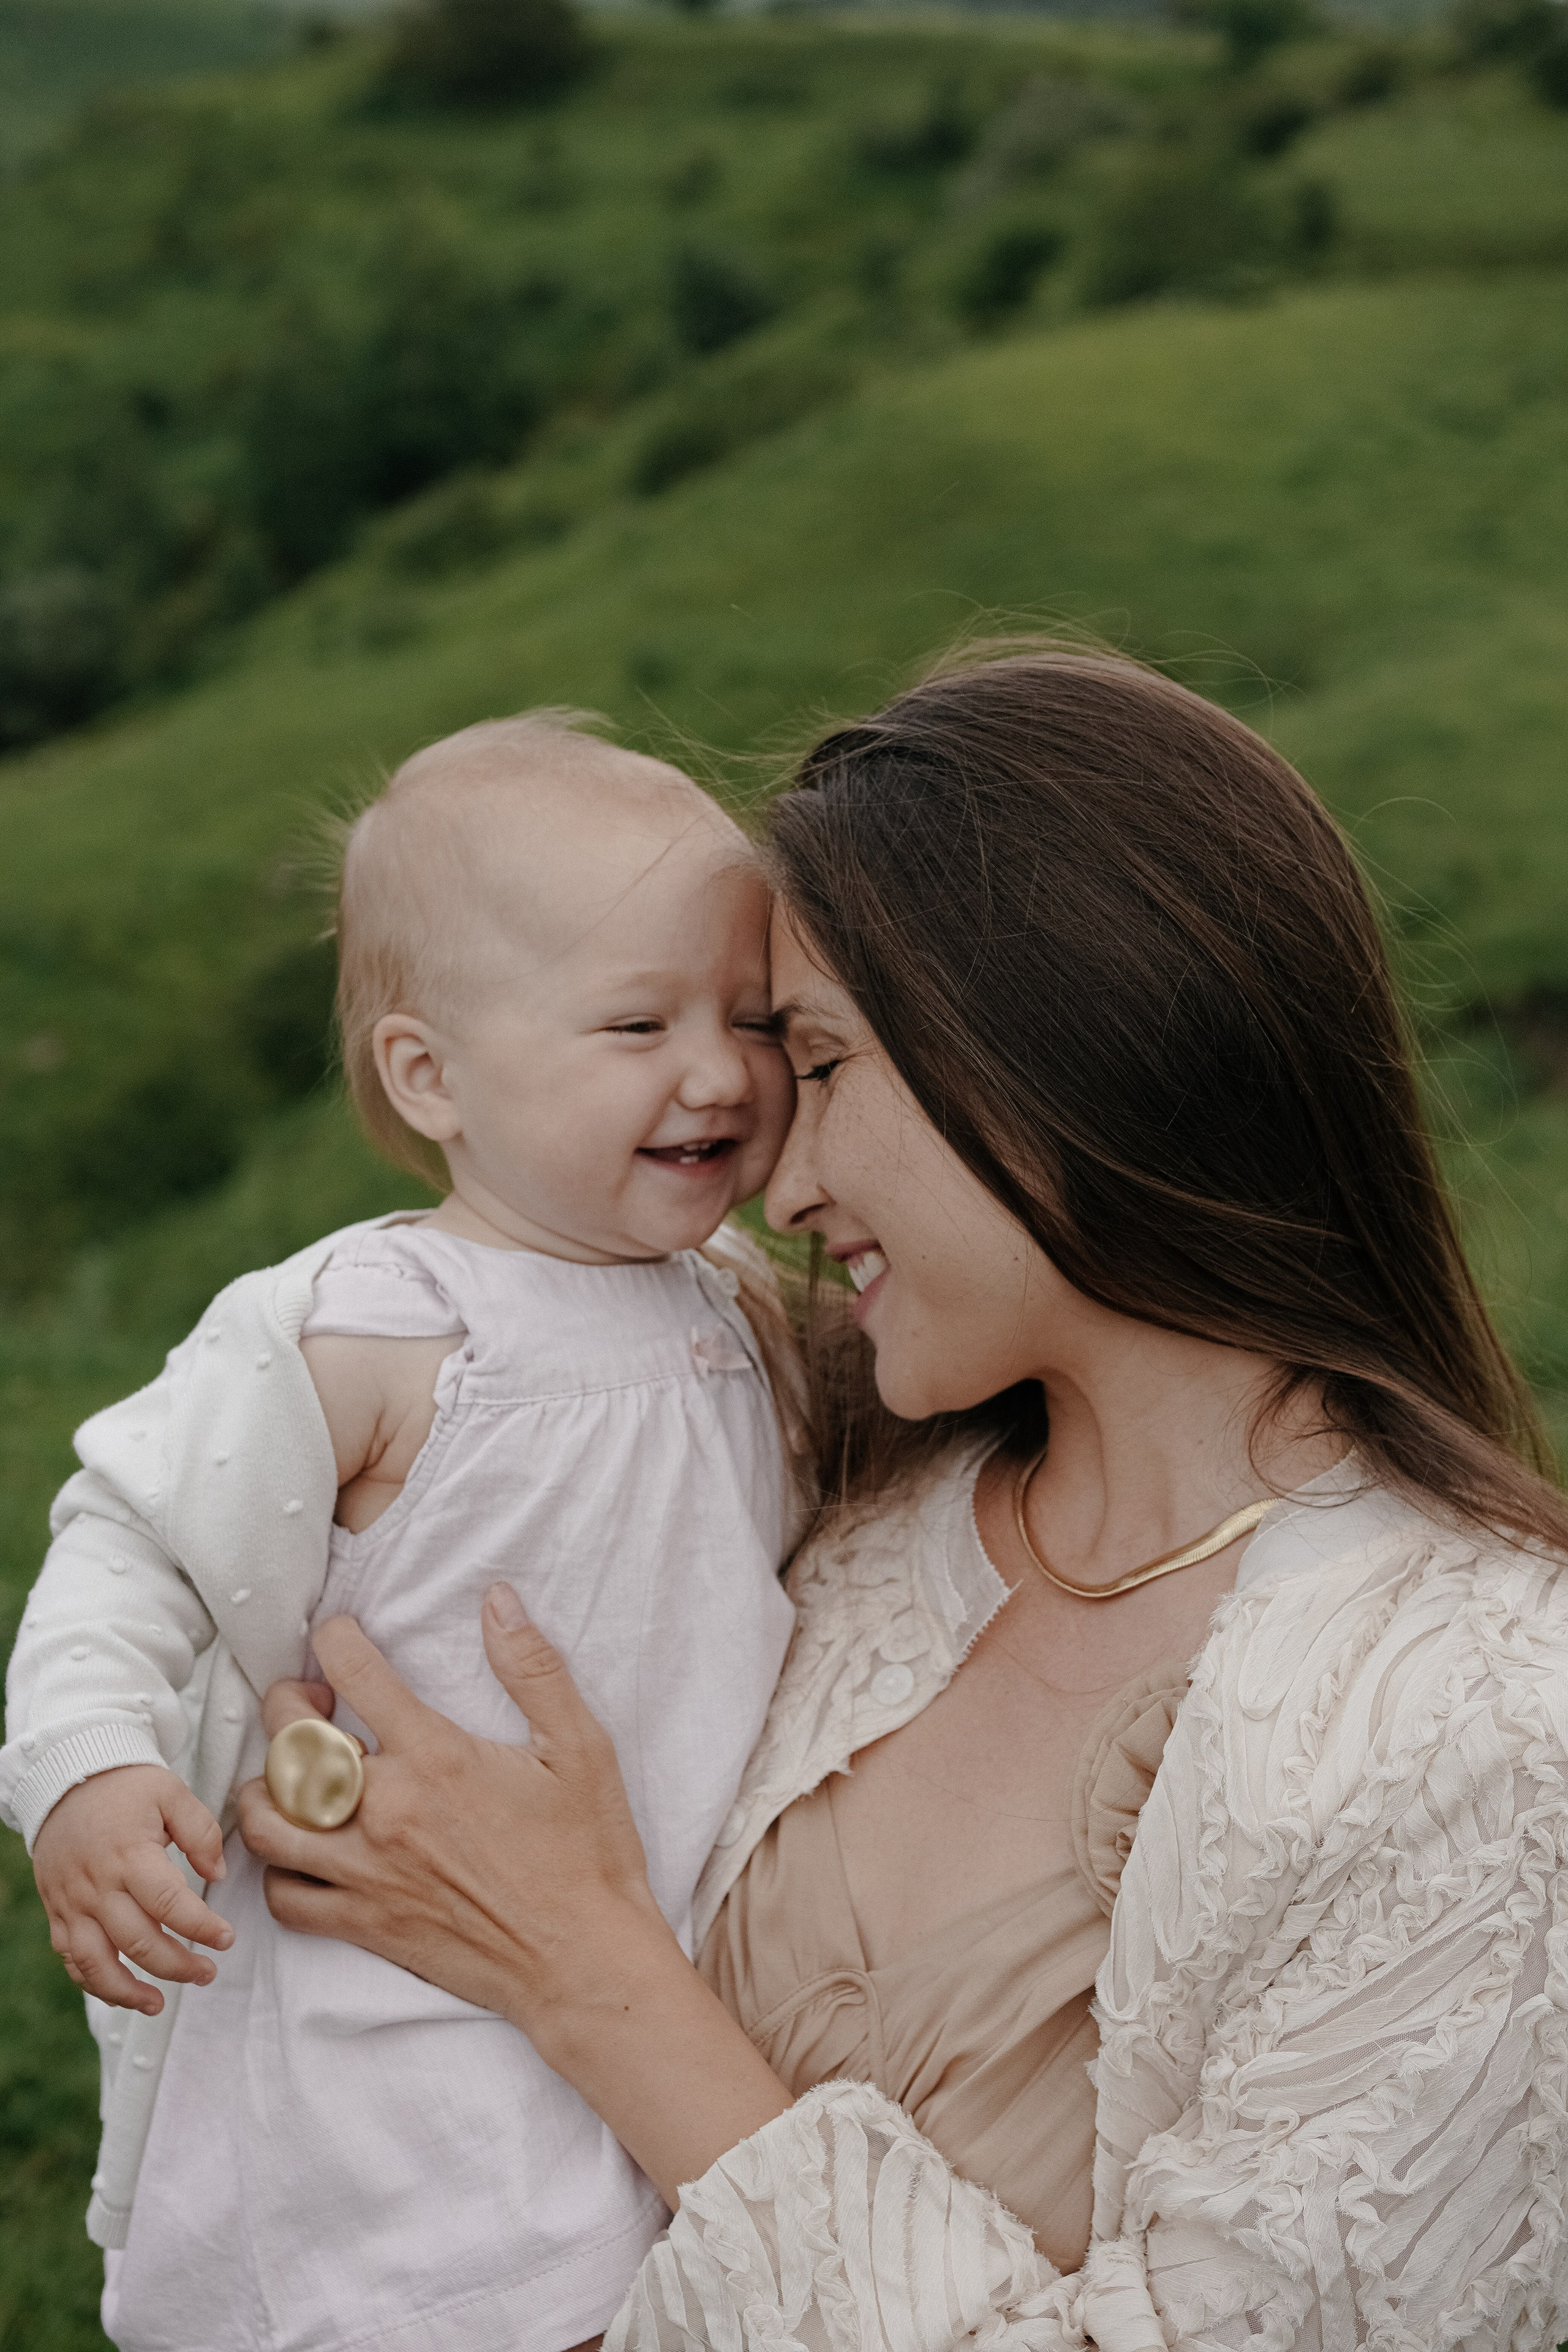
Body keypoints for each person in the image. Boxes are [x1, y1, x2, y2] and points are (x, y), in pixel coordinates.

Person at [241, 644, 1568, 2350]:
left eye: (822, 1063)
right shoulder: (829, 1465)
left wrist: (588, 1972)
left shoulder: (1482, 1731)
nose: (781, 1180)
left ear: (1059, 1048)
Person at [1, 713, 804, 2352]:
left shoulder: (741, 1307)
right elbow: (132, 1538)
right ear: (429, 1076)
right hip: (397, 2013)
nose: (719, 1071)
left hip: (641, 1962)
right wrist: (85, 1768)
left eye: (750, 1016)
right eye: (638, 1023)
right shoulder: (382, 1326)